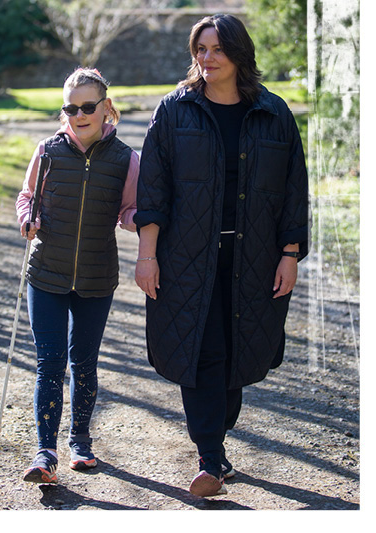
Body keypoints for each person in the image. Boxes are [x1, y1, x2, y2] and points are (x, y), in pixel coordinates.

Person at [134, 14, 309, 497]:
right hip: (188, 258)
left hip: (253, 257)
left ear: (238, 53)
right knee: (202, 350)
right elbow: (154, 189)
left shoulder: (274, 113)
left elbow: (295, 190)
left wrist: (290, 252)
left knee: (239, 352)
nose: (206, 58)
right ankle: (209, 458)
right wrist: (147, 256)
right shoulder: (174, 111)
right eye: (200, 49)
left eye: (216, 49)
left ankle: (217, 439)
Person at [16, 67, 138, 484]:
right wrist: (25, 218)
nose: (79, 114)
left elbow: (129, 210)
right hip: (46, 272)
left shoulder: (126, 159)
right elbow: (27, 196)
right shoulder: (48, 151)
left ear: (106, 109)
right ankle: (44, 452)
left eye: (88, 106)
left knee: (83, 363)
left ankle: (80, 441)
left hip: (95, 277)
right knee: (48, 363)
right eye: (71, 106)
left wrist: (138, 218)